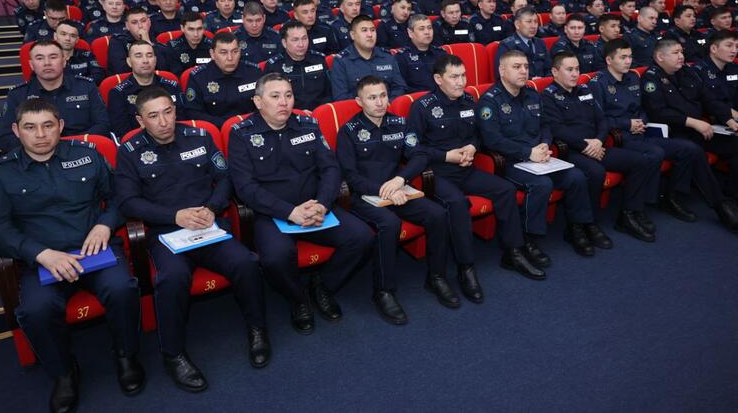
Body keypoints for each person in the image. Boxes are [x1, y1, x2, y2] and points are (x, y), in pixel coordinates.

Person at [0, 99, 144, 412]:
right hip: (44, 261)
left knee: (122, 289)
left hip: (93, 250)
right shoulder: (1, 173)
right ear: (16, 131)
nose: (40, 134)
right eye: (30, 127)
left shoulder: (87, 155)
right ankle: (64, 372)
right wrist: (41, 254)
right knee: (36, 310)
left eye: (48, 125)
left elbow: (119, 197)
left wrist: (104, 225)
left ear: (60, 126)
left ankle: (126, 355)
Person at [114, 87, 269, 392]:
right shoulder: (130, 151)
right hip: (166, 232)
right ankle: (173, 354)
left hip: (208, 225)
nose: (163, 122)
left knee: (246, 262)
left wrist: (212, 208)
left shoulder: (199, 136)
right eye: (153, 116)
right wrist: (175, 216)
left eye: (168, 112)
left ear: (175, 111)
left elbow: (224, 178)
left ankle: (258, 329)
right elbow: (128, 202)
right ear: (140, 120)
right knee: (172, 279)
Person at [229, 73, 374, 333]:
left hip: (315, 206)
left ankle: (322, 285)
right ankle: (298, 299)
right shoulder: (241, 134)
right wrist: (289, 212)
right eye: (275, 96)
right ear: (258, 102)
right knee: (276, 258)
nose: (283, 102)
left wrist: (322, 204)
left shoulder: (307, 124)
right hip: (273, 213)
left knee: (362, 237)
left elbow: (330, 169)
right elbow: (245, 188)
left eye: (288, 95)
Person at [405, 54, 546, 282]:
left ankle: (513, 252)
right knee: (458, 203)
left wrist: (472, 146)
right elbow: (411, 148)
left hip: (466, 169)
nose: (461, 82)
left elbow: (478, 134)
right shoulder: (422, 107)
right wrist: (446, 156)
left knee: (505, 190)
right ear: (438, 79)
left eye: (463, 76)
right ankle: (466, 267)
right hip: (436, 174)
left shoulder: (469, 101)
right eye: (454, 77)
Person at [338, 75, 465, 323]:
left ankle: (436, 276)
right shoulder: (349, 131)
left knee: (437, 214)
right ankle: (384, 291)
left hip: (398, 188)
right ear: (359, 101)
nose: (379, 102)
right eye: (372, 98)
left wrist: (400, 180)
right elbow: (350, 177)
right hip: (364, 195)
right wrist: (384, 190)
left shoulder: (399, 123)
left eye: (383, 96)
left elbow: (419, 156)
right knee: (390, 224)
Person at [477, 50, 608, 257]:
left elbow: (545, 125)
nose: (523, 71)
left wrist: (545, 144)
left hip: (540, 157)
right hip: (510, 161)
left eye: (526, 67)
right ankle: (528, 239)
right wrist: (528, 152)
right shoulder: (490, 101)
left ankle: (577, 228)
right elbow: (492, 140)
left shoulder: (532, 94)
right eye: (516, 67)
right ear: (502, 70)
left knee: (576, 177)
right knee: (542, 184)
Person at [542, 51, 660, 242]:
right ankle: (583, 225)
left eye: (577, 69)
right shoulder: (548, 96)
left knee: (640, 161)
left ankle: (629, 214)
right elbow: (557, 129)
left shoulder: (584, 90)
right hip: (571, 151)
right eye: (569, 70)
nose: (575, 74)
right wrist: (586, 146)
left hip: (597, 146)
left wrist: (598, 140)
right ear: (555, 72)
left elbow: (602, 120)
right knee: (595, 172)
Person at [641, 38, 738, 228]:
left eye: (682, 52)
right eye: (676, 53)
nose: (681, 56)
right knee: (694, 150)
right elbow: (658, 112)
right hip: (673, 133)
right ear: (660, 57)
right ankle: (720, 206)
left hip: (700, 129)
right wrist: (693, 122)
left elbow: (708, 99)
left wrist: (728, 119)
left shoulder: (688, 72)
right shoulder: (651, 78)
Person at [590, 39, 706, 223]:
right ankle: (637, 208)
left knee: (688, 149)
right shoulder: (598, 83)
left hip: (642, 133)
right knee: (654, 153)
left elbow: (642, 108)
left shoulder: (633, 77)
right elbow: (598, 120)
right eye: (623, 57)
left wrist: (641, 121)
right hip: (619, 138)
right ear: (609, 60)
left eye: (630, 56)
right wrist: (627, 124)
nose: (628, 61)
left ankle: (672, 198)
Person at [0, 41, 109, 152]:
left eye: (53, 57)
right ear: (31, 65)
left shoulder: (86, 86)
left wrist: (70, 146)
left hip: (82, 151)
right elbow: (5, 138)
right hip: (37, 155)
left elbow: (103, 125)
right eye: (40, 58)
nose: (47, 63)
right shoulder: (17, 95)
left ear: (64, 61)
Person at [184, 31, 263, 128]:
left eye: (235, 51)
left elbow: (266, 104)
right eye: (223, 53)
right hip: (217, 130)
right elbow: (193, 112)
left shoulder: (254, 72)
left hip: (252, 127)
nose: (230, 58)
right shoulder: (198, 78)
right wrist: (227, 125)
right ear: (212, 54)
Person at [107, 40, 183, 138]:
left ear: (155, 60)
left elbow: (183, 120)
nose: (145, 61)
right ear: (129, 62)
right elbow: (122, 133)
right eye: (139, 56)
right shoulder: (118, 93)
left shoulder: (172, 86)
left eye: (149, 55)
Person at [331, 15, 408, 101]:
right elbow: (341, 98)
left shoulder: (387, 56)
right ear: (353, 35)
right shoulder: (342, 61)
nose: (370, 35)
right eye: (364, 30)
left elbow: (400, 87)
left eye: (373, 30)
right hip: (358, 108)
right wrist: (368, 102)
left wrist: (388, 102)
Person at [264, 21, 332, 110]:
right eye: (295, 40)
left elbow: (329, 93)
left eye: (304, 38)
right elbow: (271, 101)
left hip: (320, 112)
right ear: (284, 43)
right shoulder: (274, 66)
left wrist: (320, 111)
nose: (301, 44)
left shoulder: (319, 59)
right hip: (289, 114)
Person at [394, 15, 447, 92]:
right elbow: (402, 88)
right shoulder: (401, 57)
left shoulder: (441, 54)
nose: (427, 32)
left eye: (429, 28)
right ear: (410, 33)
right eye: (421, 29)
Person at [494, 7, 551, 78]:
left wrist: (544, 81)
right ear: (517, 24)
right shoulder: (507, 46)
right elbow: (503, 74)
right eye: (529, 22)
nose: (533, 26)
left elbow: (549, 69)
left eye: (536, 22)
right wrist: (531, 81)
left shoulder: (540, 43)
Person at [157, 12, 213, 77]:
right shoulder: (173, 47)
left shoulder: (212, 46)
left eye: (199, 29)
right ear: (182, 28)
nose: (196, 34)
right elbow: (176, 75)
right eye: (191, 29)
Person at [107, 7, 154, 75]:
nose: (140, 26)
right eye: (134, 22)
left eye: (143, 21)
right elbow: (120, 69)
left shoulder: (155, 38)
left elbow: (162, 67)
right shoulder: (117, 41)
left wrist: (148, 42)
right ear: (127, 26)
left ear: (149, 22)